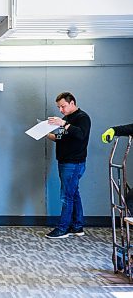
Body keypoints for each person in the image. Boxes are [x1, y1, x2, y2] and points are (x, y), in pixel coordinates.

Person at [46, 92, 91, 239]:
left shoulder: (82, 117)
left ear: (72, 103)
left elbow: (80, 134)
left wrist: (63, 124)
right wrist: (45, 133)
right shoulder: (65, 119)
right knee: (73, 194)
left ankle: (63, 229)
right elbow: (60, 138)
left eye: (63, 106)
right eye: (59, 107)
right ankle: (77, 226)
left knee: (66, 196)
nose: (61, 110)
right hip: (65, 162)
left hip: (74, 163)